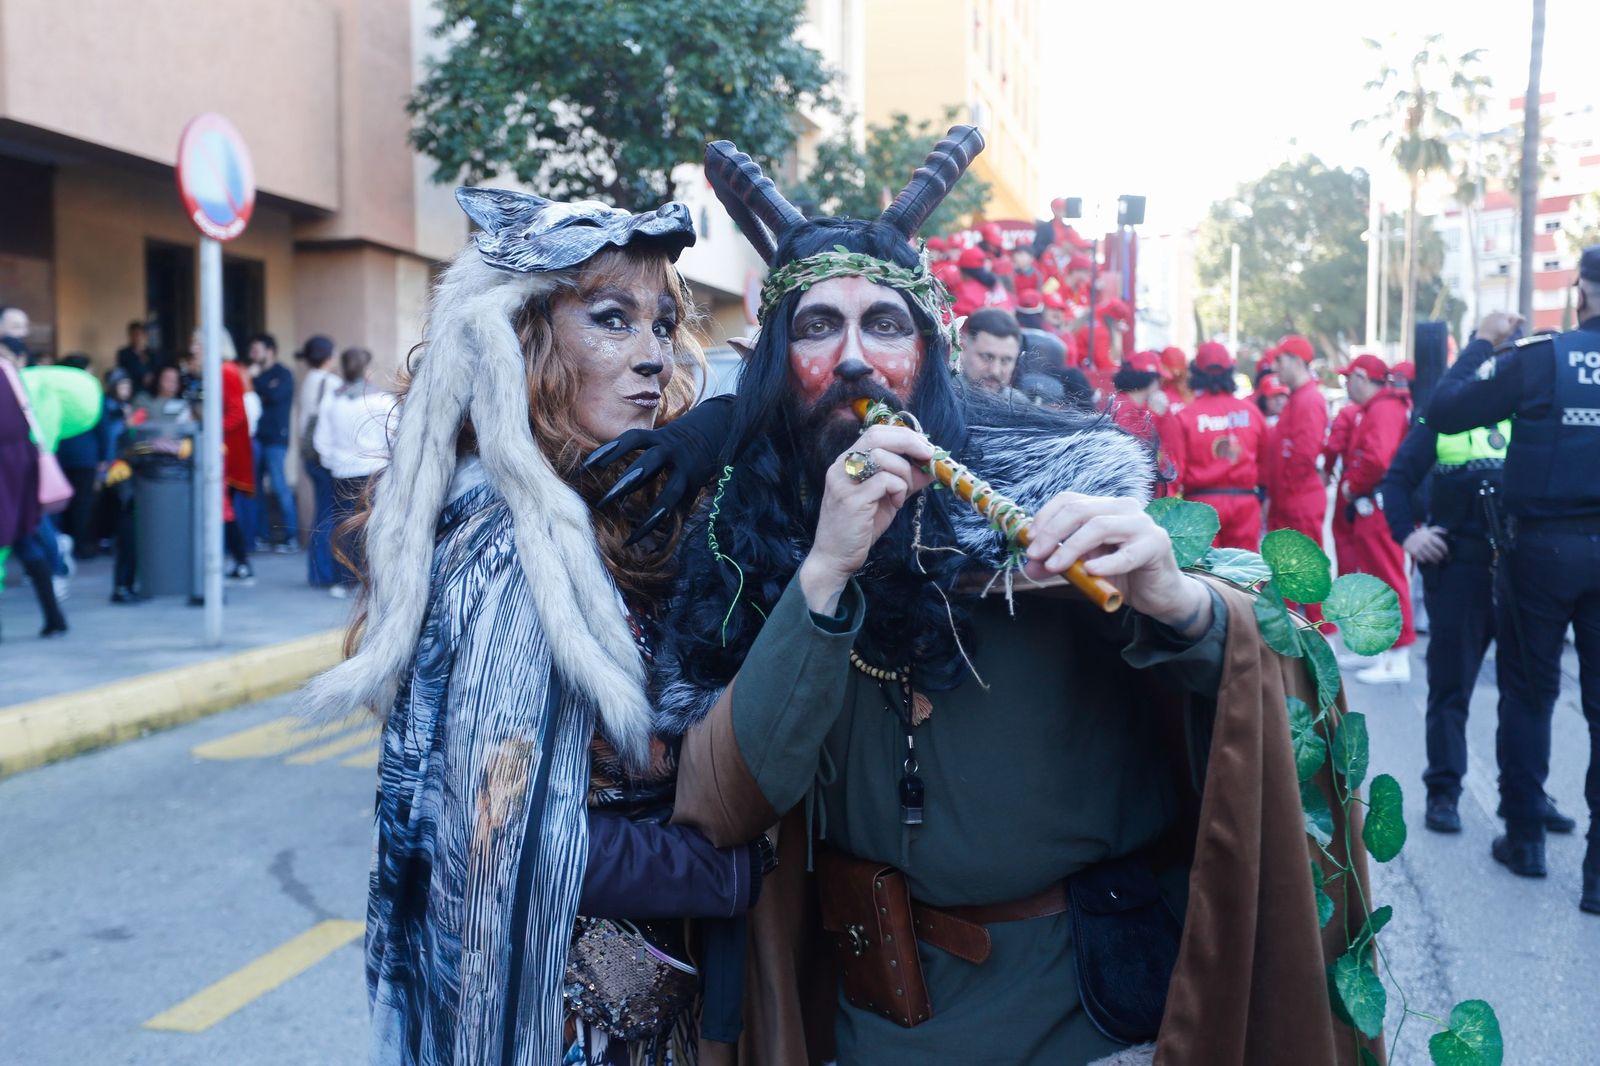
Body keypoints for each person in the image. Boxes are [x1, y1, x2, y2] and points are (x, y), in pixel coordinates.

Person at [610, 129, 1375, 1066]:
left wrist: (1183, 605)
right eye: (818, 327)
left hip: (1088, 1015)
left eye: (885, 325)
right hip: (875, 1019)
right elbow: (724, 808)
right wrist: (823, 573)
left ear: (930, 355)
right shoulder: (739, 547)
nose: (855, 359)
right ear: (778, 363)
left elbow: (1269, 700)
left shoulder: (1044, 512)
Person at [304, 186, 765, 1065]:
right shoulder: (514, 553)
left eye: (663, 325)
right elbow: (500, 830)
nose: (652, 358)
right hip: (553, 1018)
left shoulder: (595, 514)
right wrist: (720, 872)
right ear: (521, 338)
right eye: (609, 318)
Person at [1428, 247, 1600, 905]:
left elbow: (1444, 411)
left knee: (1529, 694)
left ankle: (1525, 838)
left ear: (1581, 292)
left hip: (1541, 554)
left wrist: (1479, 343)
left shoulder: (1541, 359)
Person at [1336, 354, 1415, 683]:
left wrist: (1353, 486)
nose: (1345, 385)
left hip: (1378, 505)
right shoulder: (1379, 408)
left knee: (1387, 579)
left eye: (1348, 378)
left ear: (1362, 378)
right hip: (1374, 505)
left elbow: (1378, 459)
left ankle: (1398, 657)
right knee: (1378, 578)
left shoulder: (1383, 409)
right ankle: (1384, 652)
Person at [311, 346, 397, 598]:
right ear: (367, 370)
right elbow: (395, 434)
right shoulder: (381, 400)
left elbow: (320, 441)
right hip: (375, 470)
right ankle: (377, 578)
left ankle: (345, 580)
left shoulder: (332, 399)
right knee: (376, 524)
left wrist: (333, 461)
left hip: (341, 472)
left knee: (345, 527)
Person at [1166, 341, 1266, 551]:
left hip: (1201, 507)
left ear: (1195, 372)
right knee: (1244, 577)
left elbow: (1174, 473)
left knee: (1204, 577)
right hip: (1245, 505)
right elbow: (1266, 464)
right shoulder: (1252, 413)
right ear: (1230, 371)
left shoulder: (1185, 416)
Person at [0, 342, 68, 638]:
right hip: (21, 462)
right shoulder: (9, 371)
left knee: (20, 539)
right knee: (24, 539)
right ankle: (54, 617)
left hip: (5, 466)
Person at [188, 329, 257, 584]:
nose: (192, 348)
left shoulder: (225, 371)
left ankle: (241, 561)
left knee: (223, 508)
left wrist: (210, 431)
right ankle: (237, 561)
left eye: (196, 343)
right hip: (222, 448)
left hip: (226, 451)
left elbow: (237, 413)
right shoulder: (218, 370)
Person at [1264, 334, 1330, 554]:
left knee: (1301, 580)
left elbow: (1304, 456)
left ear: (1298, 361)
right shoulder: (1299, 398)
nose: (1275, 367)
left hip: (1297, 506)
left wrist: (1284, 499)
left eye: (1280, 360)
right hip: (1289, 504)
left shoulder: (1309, 400)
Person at [247, 333, 300, 552]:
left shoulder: (283, 373)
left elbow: (274, 395)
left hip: (276, 439)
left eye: (257, 350)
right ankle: (262, 535)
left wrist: (255, 381)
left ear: (270, 351)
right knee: (255, 488)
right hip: (255, 438)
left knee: (279, 487)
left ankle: (291, 537)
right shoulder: (254, 375)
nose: (253, 354)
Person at [296, 335, 339, 587]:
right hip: (323, 455)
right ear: (328, 356)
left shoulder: (308, 380)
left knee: (320, 512)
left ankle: (316, 571)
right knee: (327, 514)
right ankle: (323, 572)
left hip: (308, 454)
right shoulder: (330, 382)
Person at [957, 308, 1024, 398]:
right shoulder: (939, 397)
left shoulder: (1020, 406)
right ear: (962, 350)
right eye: (987, 357)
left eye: (1005, 361)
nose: (995, 371)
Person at [116, 321, 155, 393]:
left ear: (144, 335)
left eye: (138, 334)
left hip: (152, 391)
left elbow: (157, 369)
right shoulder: (124, 354)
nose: (135, 338)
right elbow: (123, 373)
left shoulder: (153, 353)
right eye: (132, 335)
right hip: (132, 391)